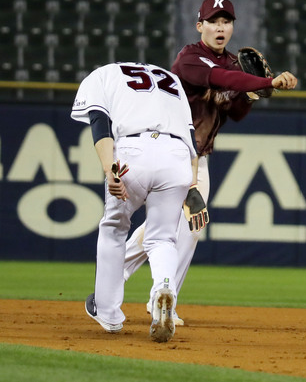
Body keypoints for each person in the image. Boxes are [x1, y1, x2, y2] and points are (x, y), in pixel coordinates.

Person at [122, 0, 298, 323]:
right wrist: (265, 82)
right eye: (213, 21)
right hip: (165, 151)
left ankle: (157, 296)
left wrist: (253, 94)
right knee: (175, 223)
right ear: (199, 25)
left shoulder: (233, 63)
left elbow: (236, 110)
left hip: (196, 160)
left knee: (186, 225)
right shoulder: (189, 58)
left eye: (226, 21)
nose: (220, 27)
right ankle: (130, 282)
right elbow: (222, 79)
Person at [71, 62, 208, 342]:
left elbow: (100, 124)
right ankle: (163, 288)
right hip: (177, 157)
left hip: (133, 150)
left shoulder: (102, 74)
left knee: (114, 227)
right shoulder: (170, 79)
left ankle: (108, 313)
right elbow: (192, 139)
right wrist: (192, 186)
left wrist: (110, 169)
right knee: (162, 239)